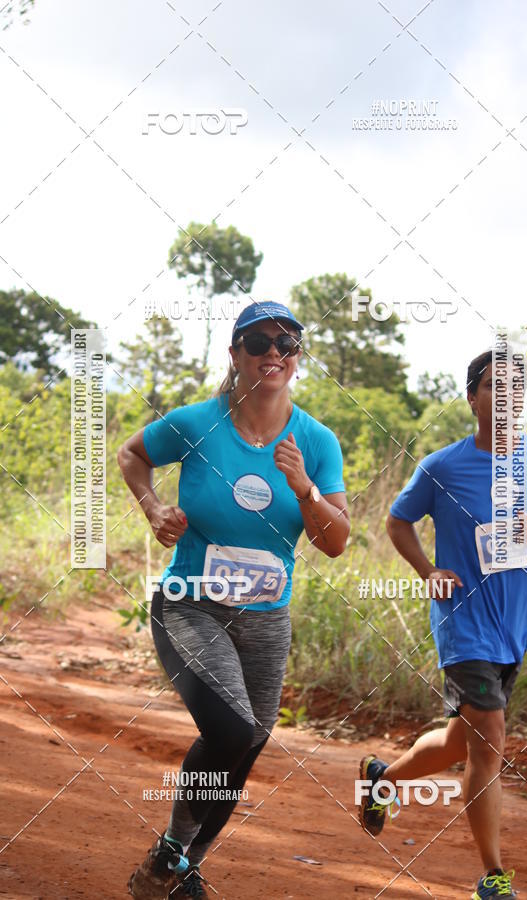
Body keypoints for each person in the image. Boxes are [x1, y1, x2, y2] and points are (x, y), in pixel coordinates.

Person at [118, 301, 350, 898]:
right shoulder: (198, 423)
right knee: (231, 729)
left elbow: (336, 542)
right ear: (235, 354)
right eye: (258, 342)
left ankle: (177, 864)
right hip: (188, 603)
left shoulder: (317, 442)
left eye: (287, 343)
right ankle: (174, 856)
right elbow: (131, 454)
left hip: (265, 619)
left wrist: (304, 490)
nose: (273, 353)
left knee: (249, 739)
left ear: (298, 358)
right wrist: (153, 508)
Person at [357, 349, 527, 899]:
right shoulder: (442, 466)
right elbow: (397, 521)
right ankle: (492, 877)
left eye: (517, 387)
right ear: (471, 398)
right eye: (492, 386)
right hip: (463, 624)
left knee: (459, 744)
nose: (506, 396)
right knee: (491, 743)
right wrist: (429, 570)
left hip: (515, 627)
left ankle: (381, 780)